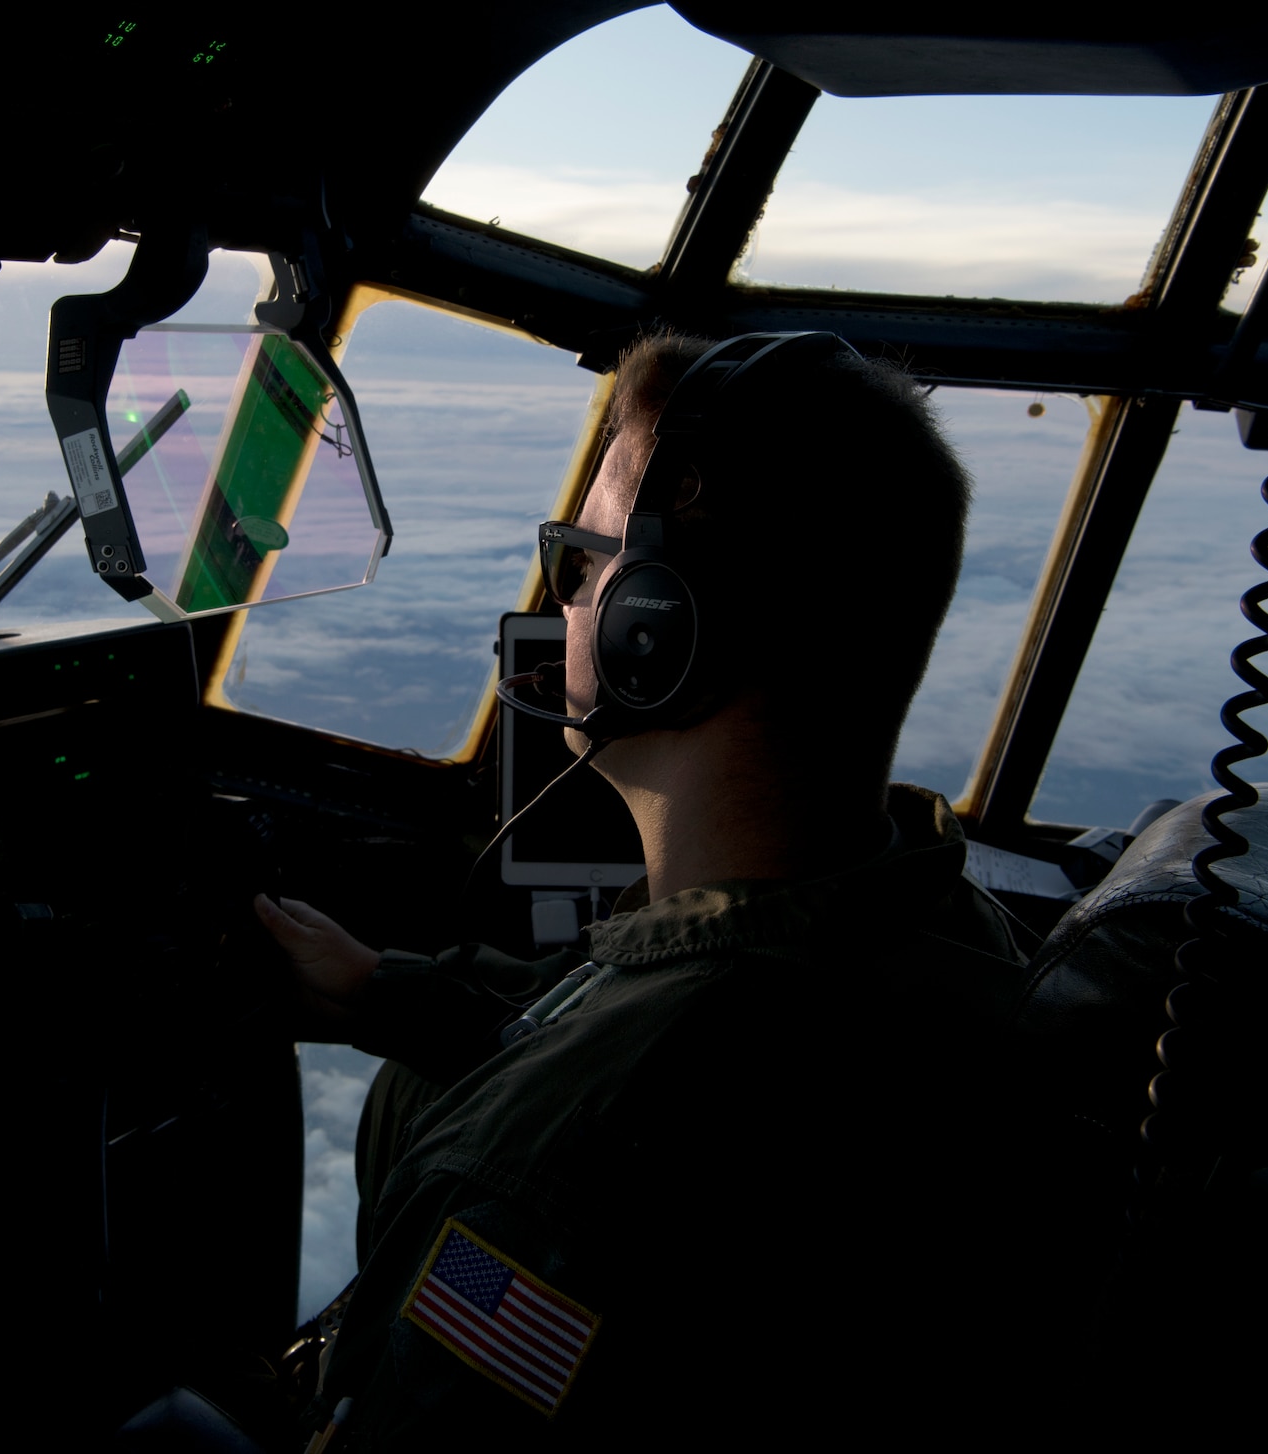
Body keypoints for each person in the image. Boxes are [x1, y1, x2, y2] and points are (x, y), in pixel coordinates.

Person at [251, 330, 1037, 1447]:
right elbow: (658, 1064)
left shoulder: (553, 1190)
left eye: (584, 561)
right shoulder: (932, 926)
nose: (564, 596)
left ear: (655, 628)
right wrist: (387, 991)